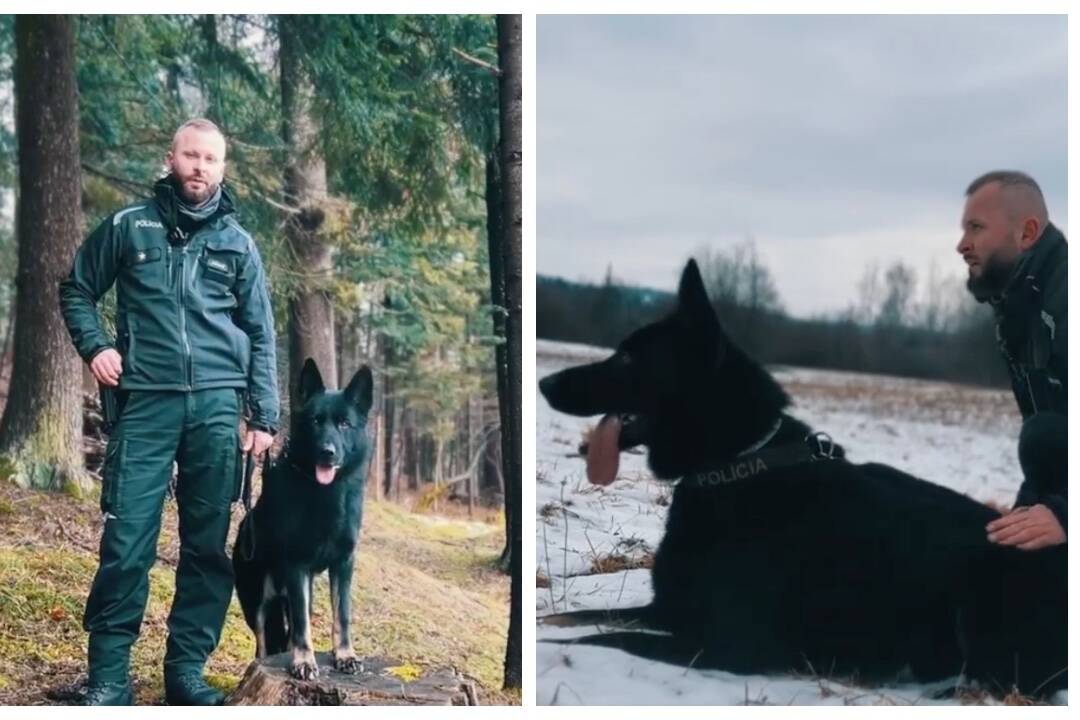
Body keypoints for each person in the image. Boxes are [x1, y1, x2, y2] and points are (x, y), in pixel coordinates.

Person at [59, 118, 279, 705]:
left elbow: (260, 333)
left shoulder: (238, 244)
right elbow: (76, 288)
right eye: (191, 155)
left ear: (221, 167)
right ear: (171, 159)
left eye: (211, 158)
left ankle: (184, 674)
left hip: (215, 409)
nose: (200, 167)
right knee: (127, 540)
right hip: (145, 405)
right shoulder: (129, 227)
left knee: (206, 549)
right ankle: (109, 678)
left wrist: (264, 417)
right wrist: (97, 346)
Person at [956, 170, 1066, 551]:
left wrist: (1065, 515)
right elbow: (1050, 446)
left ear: (1027, 233)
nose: (962, 245)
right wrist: (1025, 513)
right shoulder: (1021, 311)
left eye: (976, 228)